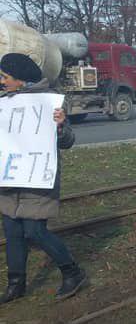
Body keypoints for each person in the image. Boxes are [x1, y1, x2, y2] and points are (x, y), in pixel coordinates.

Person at [0, 53, 86, 303]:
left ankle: (73, 272)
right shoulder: (4, 102)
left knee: (35, 230)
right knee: (12, 230)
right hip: (9, 177)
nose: (1, 81)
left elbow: (68, 141)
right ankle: (16, 284)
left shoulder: (49, 102)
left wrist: (60, 127)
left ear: (22, 80)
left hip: (37, 176)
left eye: (5, 77)